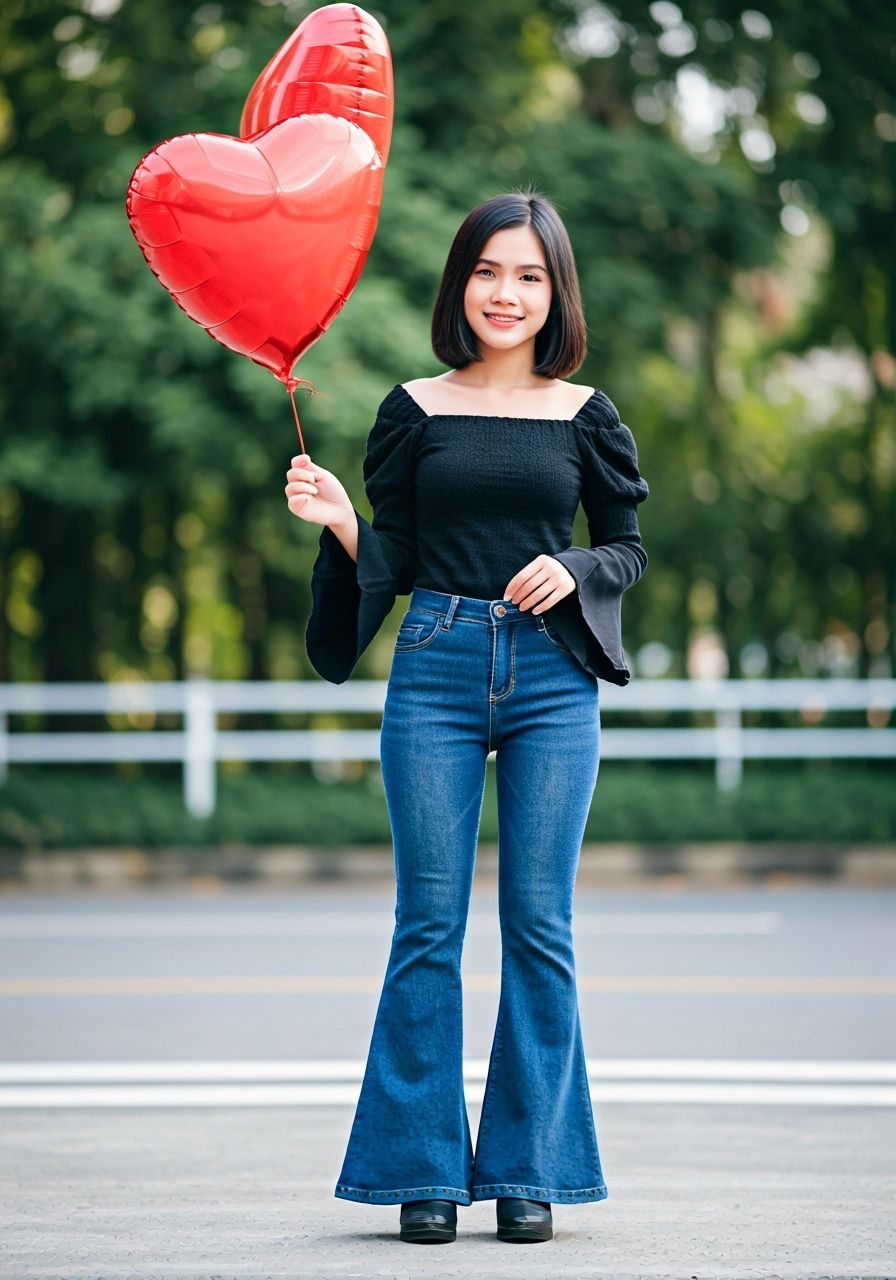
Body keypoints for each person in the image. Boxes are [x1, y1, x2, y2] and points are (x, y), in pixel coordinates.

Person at [284, 188, 650, 1246]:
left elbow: (624, 547)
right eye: (488, 271)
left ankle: (530, 1168)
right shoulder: (411, 407)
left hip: (550, 679)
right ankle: (422, 1170)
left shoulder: (586, 414)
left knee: (540, 926)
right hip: (436, 664)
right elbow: (392, 555)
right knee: (426, 927)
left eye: (528, 274)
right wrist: (342, 524)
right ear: (460, 285)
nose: (506, 291)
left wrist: (572, 564)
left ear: (553, 292)